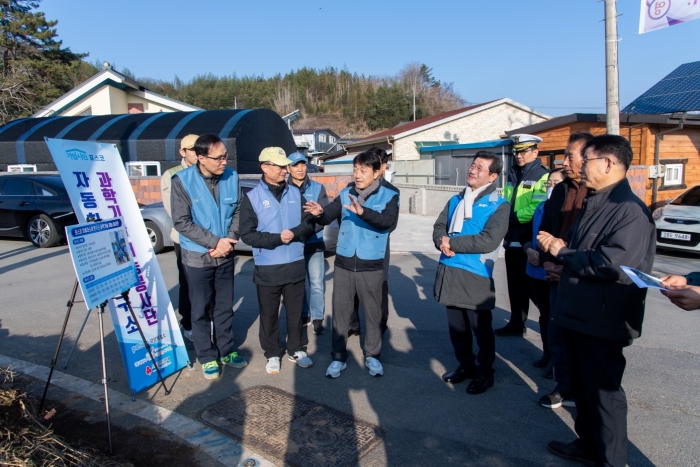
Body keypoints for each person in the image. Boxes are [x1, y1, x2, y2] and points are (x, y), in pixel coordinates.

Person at [538, 134, 656, 467]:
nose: (578, 167)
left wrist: (562, 251)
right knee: (584, 391)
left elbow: (613, 263)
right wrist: (561, 259)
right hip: (579, 312)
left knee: (605, 398)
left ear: (607, 163)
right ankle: (588, 444)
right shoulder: (596, 200)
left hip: (603, 320)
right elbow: (583, 254)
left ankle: (610, 459)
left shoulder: (629, 211)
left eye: (585, 160)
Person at [304, 150, 399, 379]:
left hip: (372, 264)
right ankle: (338, 357)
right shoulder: (346, 192)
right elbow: (328, 216)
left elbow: (388, 222)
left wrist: (362, 212)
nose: (357, 174)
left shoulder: (389, 194)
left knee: (374, 313)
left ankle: (373, 356)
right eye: (355, 169)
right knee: (341, 314)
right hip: (344, 262)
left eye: (363, 170)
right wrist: (319, 213)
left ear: (377, 172)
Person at [171, 134, 247, 380]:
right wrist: (215, 242)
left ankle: (226, 350)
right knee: (200, 308)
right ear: (201, 158)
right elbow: (182, 221)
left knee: (224, 306)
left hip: (225, 253)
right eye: (218, 158)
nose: (224, 162)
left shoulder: (232, 176)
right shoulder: (181, 181)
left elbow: (238, 211)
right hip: (197, 256)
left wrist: (229, 240)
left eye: (226, 156)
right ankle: (206, 356)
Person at [432, 151, 509, 395]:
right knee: (457, 328)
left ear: (493, 176)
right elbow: (439, 226)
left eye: (480, 168)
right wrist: (441, 241)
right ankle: (466, 365)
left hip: (476, 274)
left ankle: (485, 372)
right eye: (472, 165)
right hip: (450, 270)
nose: (472, 170)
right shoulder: (456, 199)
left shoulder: (499, 205)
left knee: (481, 331)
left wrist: (452, 243)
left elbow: (488, 240)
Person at [239, 147, 316, 374]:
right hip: (268, 265)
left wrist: (295, 233)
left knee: (295, 311)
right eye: (279, 166)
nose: (285, 170)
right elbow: (247, 234)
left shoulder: (295, 192)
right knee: (269, 313)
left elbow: (309, 223)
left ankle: (296, 348)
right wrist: (276, 239)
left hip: (295, 262)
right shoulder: (252, 198)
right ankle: (272, 352)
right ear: (264, 167)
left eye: (285, 166)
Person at [538, 132, 593, 408]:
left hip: (580, 278)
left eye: (570, 155)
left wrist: (569, 268)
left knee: (580, 341)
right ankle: (564, 387)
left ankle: (583, 390)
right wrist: (546, 259)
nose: (564, 161)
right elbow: (546, 226)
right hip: (554, 272)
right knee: (556, 333)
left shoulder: (597, 194)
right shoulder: (561, 189)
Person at [496, 134, 549, 337]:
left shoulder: (542, 175)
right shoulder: (513, 173)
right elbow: (505, 200)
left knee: (531, 286)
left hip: (528, 236)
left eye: (523, 151)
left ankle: (550, 322)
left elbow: (538, 206)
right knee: (514, 284)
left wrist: (511, 217)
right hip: (511, 236)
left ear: (535, 153)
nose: (519, 155)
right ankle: (517, 322)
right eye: (516, 151)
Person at [348, 147, 400, 337]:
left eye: (373, 163)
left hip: (377, 247)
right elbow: (341, 216)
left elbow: (390, 224)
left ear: (382, 167)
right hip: (353, 248)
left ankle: (378, 327)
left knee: (378, 289)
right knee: (351, 289)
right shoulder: (352, 187)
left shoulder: (391, 192)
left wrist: (369, 220)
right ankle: (352, 324)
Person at [524, 168, 565, 372]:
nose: (551, 187)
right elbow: (528, 235)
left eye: (556, 183)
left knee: (553, 318)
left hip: (552, 271)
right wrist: (528, 250)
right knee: (543, 316)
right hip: (535, 270)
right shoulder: (541, 206)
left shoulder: (565, 210)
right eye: (549, 184)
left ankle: (556, 361)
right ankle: (547, 353)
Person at [161, 134, 199, 341]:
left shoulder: (206, 171)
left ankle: (205, 319)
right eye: (192, 149)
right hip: (185, 239)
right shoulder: (172, 174)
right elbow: (174, 211)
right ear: (182, 152)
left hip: (207, 238)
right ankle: (188, 322)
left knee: (206, 284)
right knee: (187, 282)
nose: (197, 153)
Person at [287, 151, 330, 336]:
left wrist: (304, 232)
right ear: (288, 167)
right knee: (297, 283)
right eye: (295, 165)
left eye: (303, 164)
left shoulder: (318, 188)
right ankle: (303, 314)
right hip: (291, 245)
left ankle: (318, 318)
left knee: (317, 282)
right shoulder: (283, 188)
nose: (300, 168)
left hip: (313, 242)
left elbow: (323, 217)